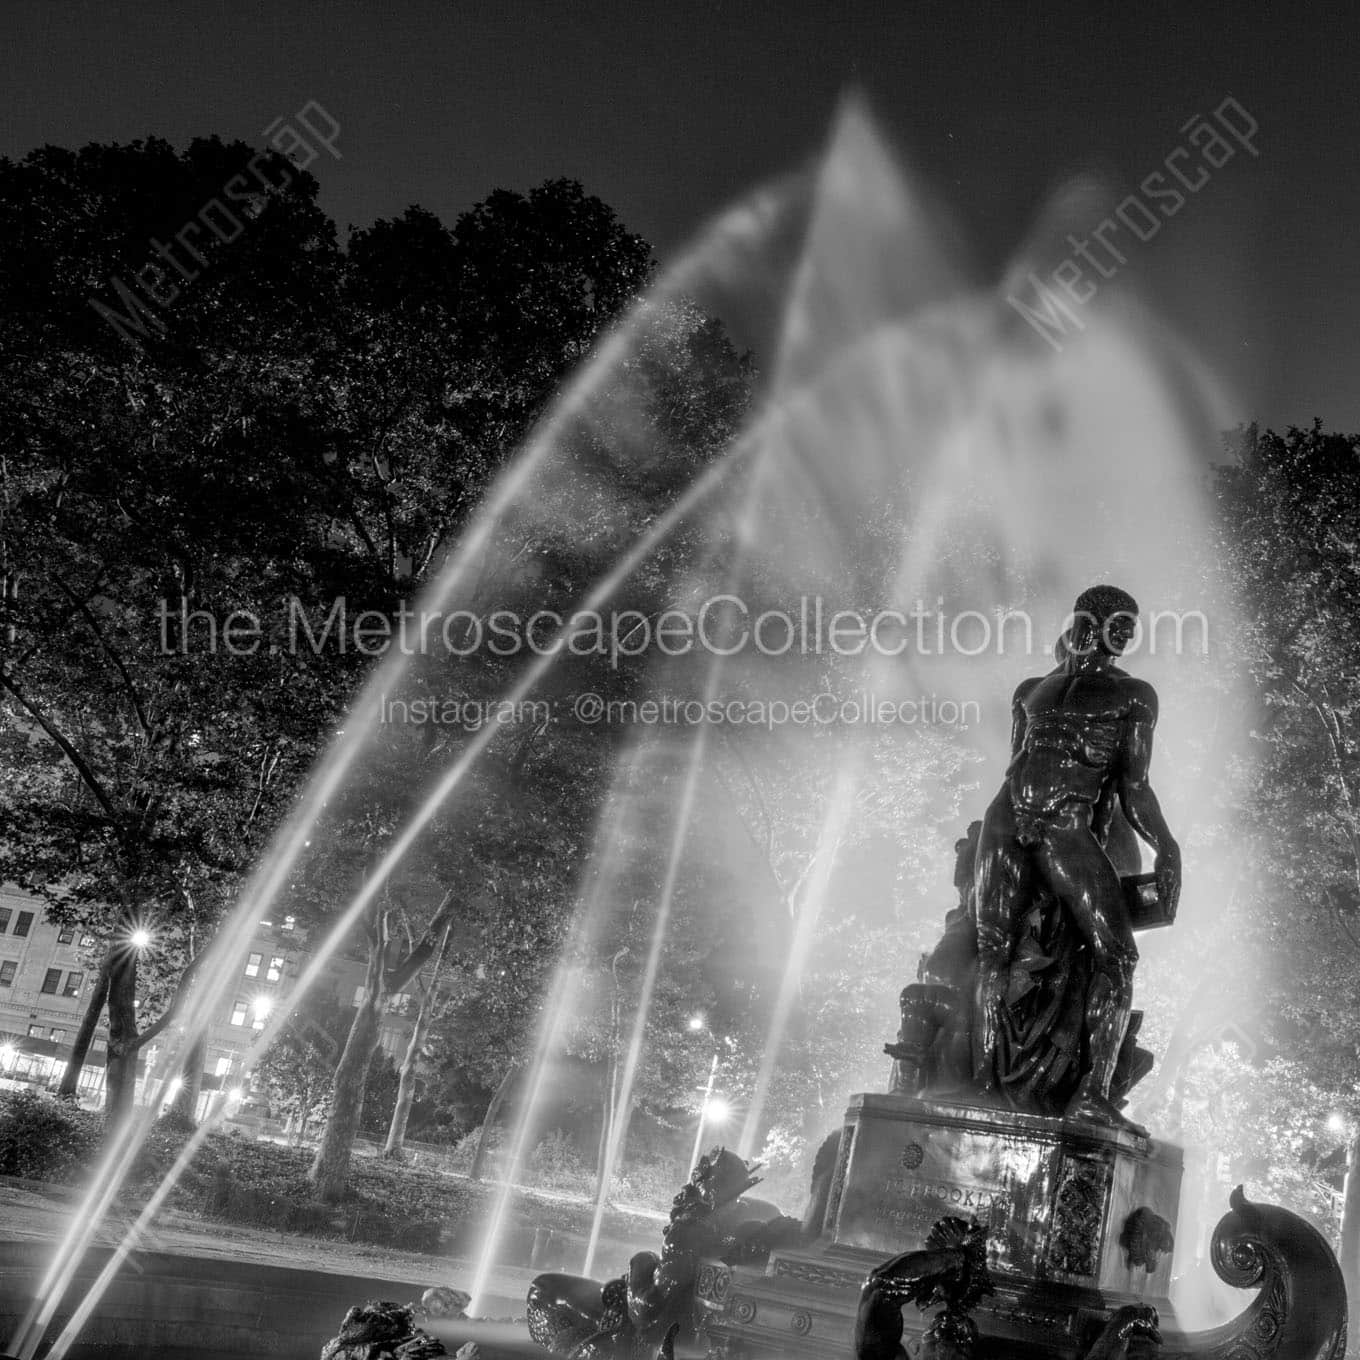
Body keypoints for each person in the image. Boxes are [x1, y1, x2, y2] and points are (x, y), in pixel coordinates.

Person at [972, 585, 1180, 1132]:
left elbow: (1134, 788)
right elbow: (1014, 764)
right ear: (1094, 620)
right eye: (1122, 622)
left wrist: (1167, 845)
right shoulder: (1029, 690)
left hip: (1068, 828)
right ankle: (984, 1083)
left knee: (1118, 956)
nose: (1129, 634)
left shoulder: (1134, 696)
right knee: (991, 950)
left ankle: (1092, 1093)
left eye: (1133, 626)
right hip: (1006, 822)